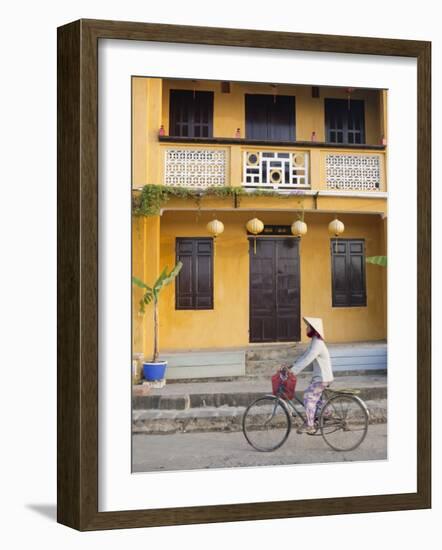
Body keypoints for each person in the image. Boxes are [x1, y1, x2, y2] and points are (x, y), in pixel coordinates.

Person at [290, 317, 334, 434]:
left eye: (308, 326)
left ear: (314, 329)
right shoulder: (314, 342)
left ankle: (310, 425)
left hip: (322, 378)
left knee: (308, 397)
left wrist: (293, 371)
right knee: (316, 400)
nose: (306, 328)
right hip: (320, 377)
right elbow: (304, 356)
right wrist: (292, 366)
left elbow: (308, 359)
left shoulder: (318, 343)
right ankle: (326, 413)